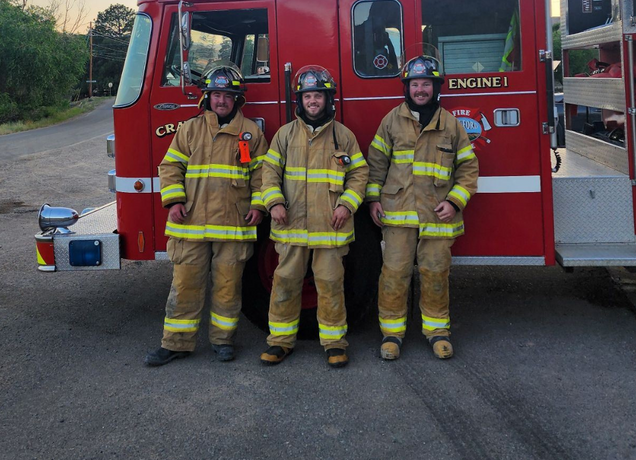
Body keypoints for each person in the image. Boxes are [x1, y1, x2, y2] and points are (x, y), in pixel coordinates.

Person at [145, 64, 268, 366]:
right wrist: (173, 201)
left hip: (233, 224)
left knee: (228, 287)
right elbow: (170, 167)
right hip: (191, 224)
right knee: (185, 283)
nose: (221, 100)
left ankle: (223, 341)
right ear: (207, 97)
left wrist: (258, 206)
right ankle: (176, 343)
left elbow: (263, 176)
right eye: (216, 94)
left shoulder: (251, 133)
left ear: (237, 98)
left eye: (227, 95)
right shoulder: (190, 129)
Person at [366, 54, 478, 361]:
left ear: (436, 87)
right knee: (393, 274)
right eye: (415, 84)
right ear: (407, 88)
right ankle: (392, 334)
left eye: (426, 84)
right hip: (397, 215)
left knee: (435, 273)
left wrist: (455, 201)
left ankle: (437, 332)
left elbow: (468, 170)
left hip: (437, 218)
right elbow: (376, 165)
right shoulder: (391, 121)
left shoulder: (451, 126)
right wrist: (373, 199)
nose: (420, 90)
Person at [259, 65, 369, 368]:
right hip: (290, 227)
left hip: (330, 230)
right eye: (308, 95)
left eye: (318, 95)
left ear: (328, 98)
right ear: (300, 100)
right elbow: (268, 173)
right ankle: (280, 342)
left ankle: (334, 344)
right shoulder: (284, 135)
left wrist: (347, 205)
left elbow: (359, 174)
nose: (313, 101)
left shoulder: (343, 136)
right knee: (284, 284)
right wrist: (274, 203)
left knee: (332, 285)